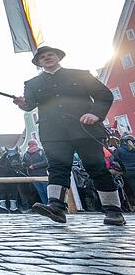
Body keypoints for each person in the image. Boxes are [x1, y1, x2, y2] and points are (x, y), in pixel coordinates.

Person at [14, 45, 124, 225]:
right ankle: (56, 208)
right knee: (57, 168)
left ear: (58, 57)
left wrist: (95, 114)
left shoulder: (80, 74)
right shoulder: (32, 84)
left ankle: (113, 211)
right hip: (54, 133)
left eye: (51, 55)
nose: (47, 58)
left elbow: (104, 95)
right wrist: (21, 103)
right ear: (39, 62)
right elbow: (29, 105)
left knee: (95, 167)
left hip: (84, 129)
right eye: (43, 57)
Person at [22, 139, 49, 205]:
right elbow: (23, 162)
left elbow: (46, 162)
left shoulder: (41, 152)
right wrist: (25, 165)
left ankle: (50, 205)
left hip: (42, 174)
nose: (31, 145)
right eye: (30, 144)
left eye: (33, 144)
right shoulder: (26, 154)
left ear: (36, 144)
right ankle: (45, 205)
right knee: (40, 192)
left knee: (46, 191)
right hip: (32, 175)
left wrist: (34, 166)